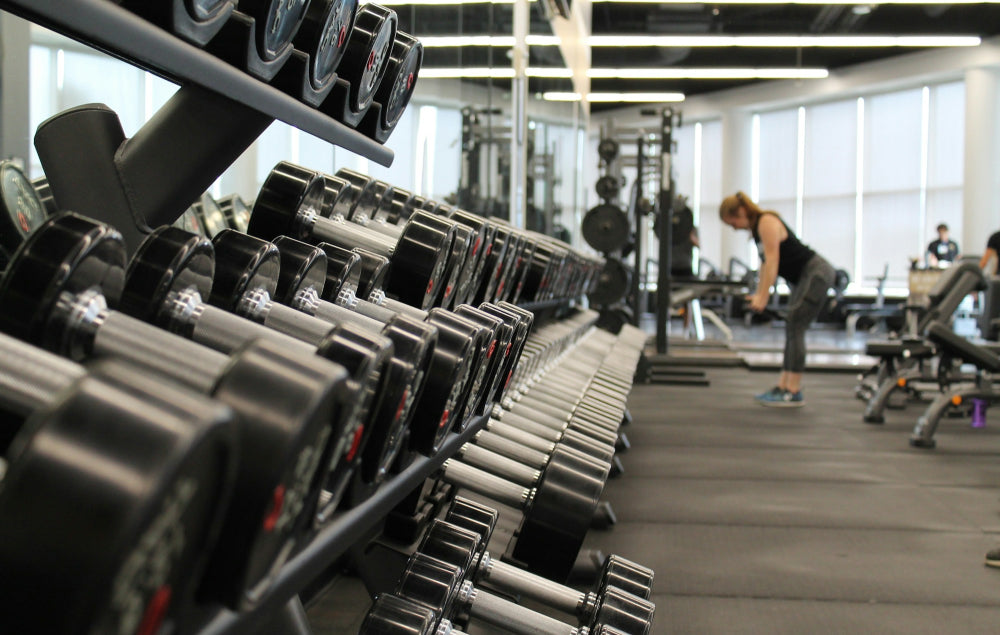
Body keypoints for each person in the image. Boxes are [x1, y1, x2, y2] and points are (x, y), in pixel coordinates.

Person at [719, 191, 836, 407]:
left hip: (816, 273)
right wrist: (759, 294)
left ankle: (793, 390)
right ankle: (783, 386)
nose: (734, 228)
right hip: (803, 277)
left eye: (732, 222)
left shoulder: (766, 221)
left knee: (796, 325)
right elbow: (765, 265)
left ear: (741, 211)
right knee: (792, 326)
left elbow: (773, 261)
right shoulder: (757, 231)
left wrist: (763, 297)